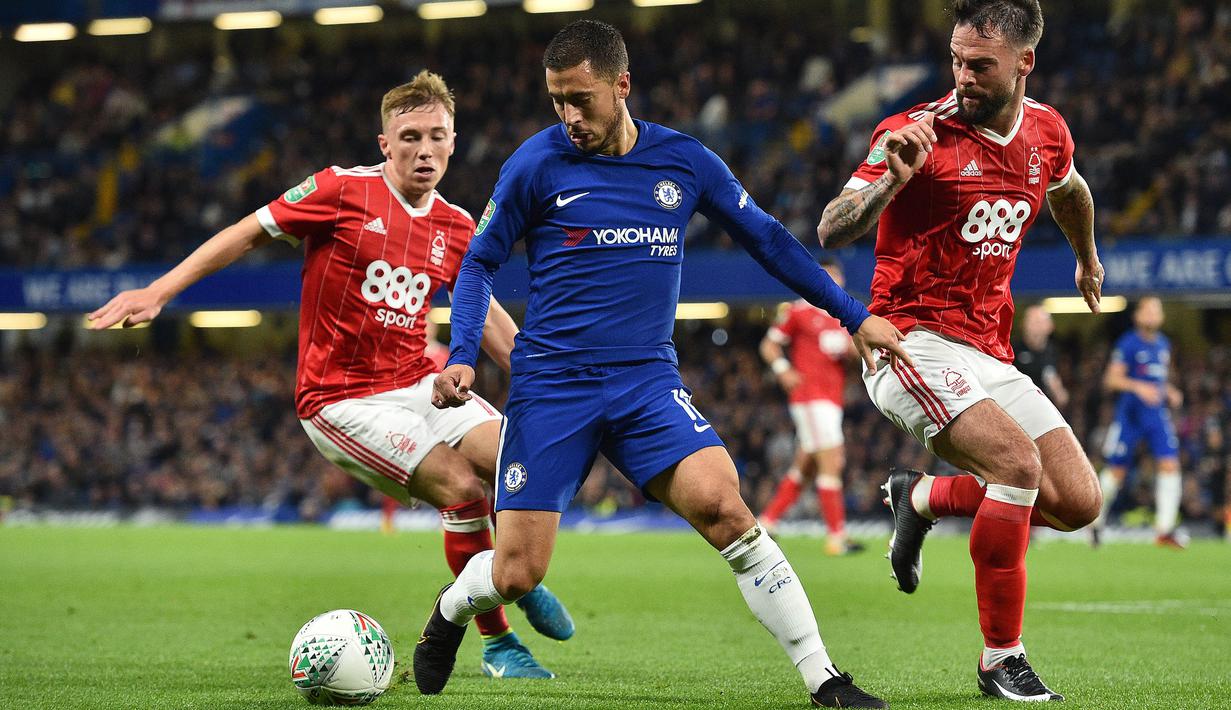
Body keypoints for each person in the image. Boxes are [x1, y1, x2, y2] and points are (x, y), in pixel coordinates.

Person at [416, 19, 912, 709]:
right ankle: (451, 609)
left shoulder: (682, 162)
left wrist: (852, 314)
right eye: (556, 99)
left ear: (622, 85)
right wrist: (465, 355)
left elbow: (767, 238)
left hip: (645, 381)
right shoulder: (535, 163)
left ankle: (823, 677)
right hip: (553, 388)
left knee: (726, 508)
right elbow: (477, 264)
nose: (568, 115)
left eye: (580, 98)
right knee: (519, 573)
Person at [88, 71, 573, 679]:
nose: (425, 150)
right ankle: (500, 640)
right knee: (463, 489)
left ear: (455, 142)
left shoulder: (455, 225)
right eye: (410, 136)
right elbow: (245, 233)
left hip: (418, 380)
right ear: (384, 142)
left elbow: (495, 323)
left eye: (437, 137)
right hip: (341, 400)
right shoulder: (340, 191)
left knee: (514, 456)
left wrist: (557, 389)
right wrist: (159, 291)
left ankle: (513, 578)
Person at [815, 0, 1103, 701]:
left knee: (1077, 502)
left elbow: (1069, 191)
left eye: (980, 65)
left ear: (1023, 63)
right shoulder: (914, 133)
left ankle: (918, 497)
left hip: (984, 346)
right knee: (1015, 464)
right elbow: (831, 228)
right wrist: (891, 179)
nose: (963, 77)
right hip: (906, 339)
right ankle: (999, 658)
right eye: (955, 60)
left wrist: (1085, 260)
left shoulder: (1045, 132)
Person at [758, 259, 863, 556]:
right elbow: (769, 345)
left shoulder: (842, 317)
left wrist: (851, 348)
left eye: (838, 276)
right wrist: (783, 370)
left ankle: (767, 523)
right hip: (810, 398)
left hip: (831, 399)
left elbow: (856, 356)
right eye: (829, 275)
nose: (836, 280)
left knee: (805, 466)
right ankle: (836, 537)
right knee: (833, 460)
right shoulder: (798, 310)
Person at [1093, 296, 1185, 548]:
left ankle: (1164, 530)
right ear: (1138, 316)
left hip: (1156, 414)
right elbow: (1111, 380)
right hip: (1131, 414)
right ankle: (1094, 522)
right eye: (1149, 310)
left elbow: (1159, 380)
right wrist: (1138, 387)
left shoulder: (1164, 345)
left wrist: (1170, 391)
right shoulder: (1128, 343)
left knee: (1169, 464)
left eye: (1158, 310)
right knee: (1117, 471)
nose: (1154, 315)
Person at [1012, 305, 1069, 408]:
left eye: (1039, 322)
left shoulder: (1055, 352)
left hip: (1046, 408)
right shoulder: (1012, 350)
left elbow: (1060, 390)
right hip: (1018, 407)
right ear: (1023, 325)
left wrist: (1059, 393)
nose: (1035, 327)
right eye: (1032, 322)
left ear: (1050, 326)